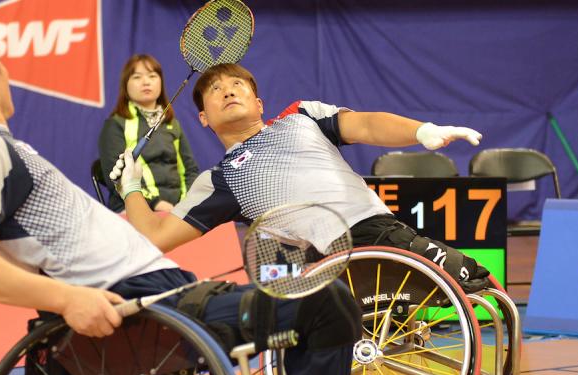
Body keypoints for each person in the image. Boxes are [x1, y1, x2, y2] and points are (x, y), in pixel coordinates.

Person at [0, 18, 360, 375]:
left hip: (169, 296)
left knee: (318, 294)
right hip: (155, 310)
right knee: (328, 304)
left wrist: (131, 187)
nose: (5, 72)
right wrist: (66, 299)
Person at [114, 63, 491, 292]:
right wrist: (130, 185)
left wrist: (421, 130)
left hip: (378, 236)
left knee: (482, 284)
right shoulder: (220, 179)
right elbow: (155, 236)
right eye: (215, 89)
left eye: (237, 84)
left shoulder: (302, 117)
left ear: (259, 104)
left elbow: (366, 124)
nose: (227, 89)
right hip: (316, 270)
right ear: (203, 119)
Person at [98, 54, 199, 212]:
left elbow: (190, 170)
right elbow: (116, 179)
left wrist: (185, 203)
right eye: (137, 77)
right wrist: (156, 204)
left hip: (177, 210)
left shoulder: (172, 124)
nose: (146, 82)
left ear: (160, 82)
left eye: (152, 76)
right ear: (126, 85)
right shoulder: (115, 125)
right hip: (134, 208)